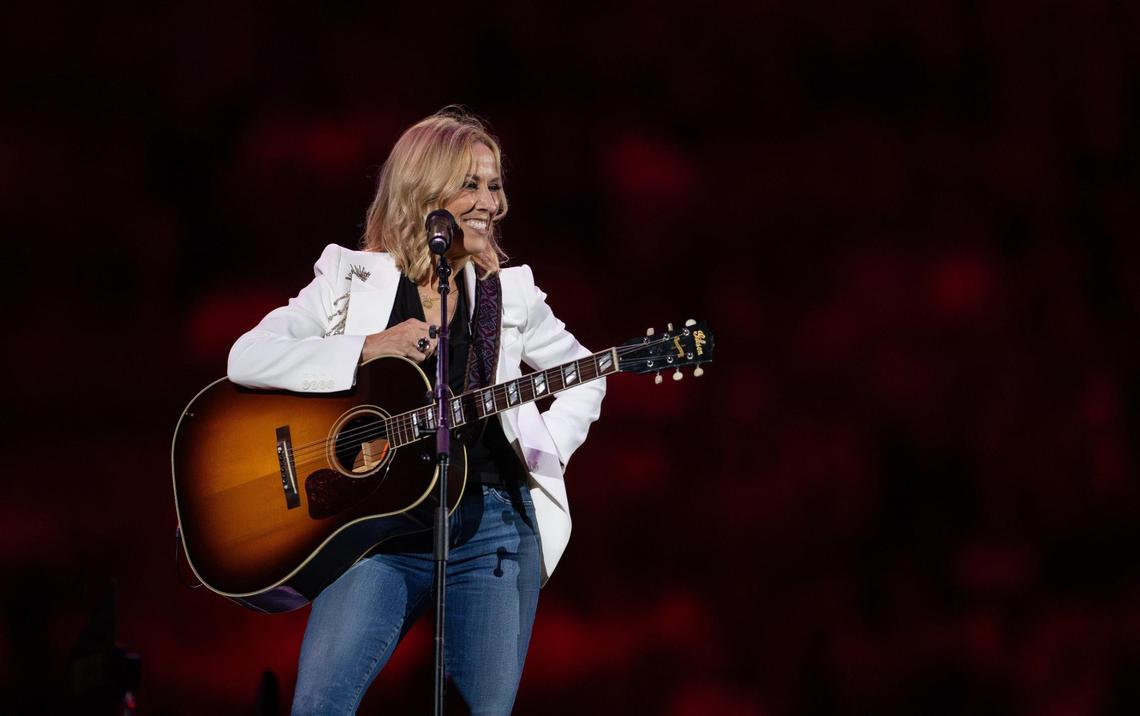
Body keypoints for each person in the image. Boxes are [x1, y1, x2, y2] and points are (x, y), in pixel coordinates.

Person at [226, 107, 606, 715]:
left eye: (496, 184)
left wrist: (544, 448)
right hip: (374, 531)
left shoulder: (512, 292)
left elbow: (588, 373)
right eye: (472, 184)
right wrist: (367, 347)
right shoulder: (349, 280)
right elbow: (248, 357)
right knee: (319, 705)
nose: (493, 202)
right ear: (424, 191)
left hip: (493, 532)